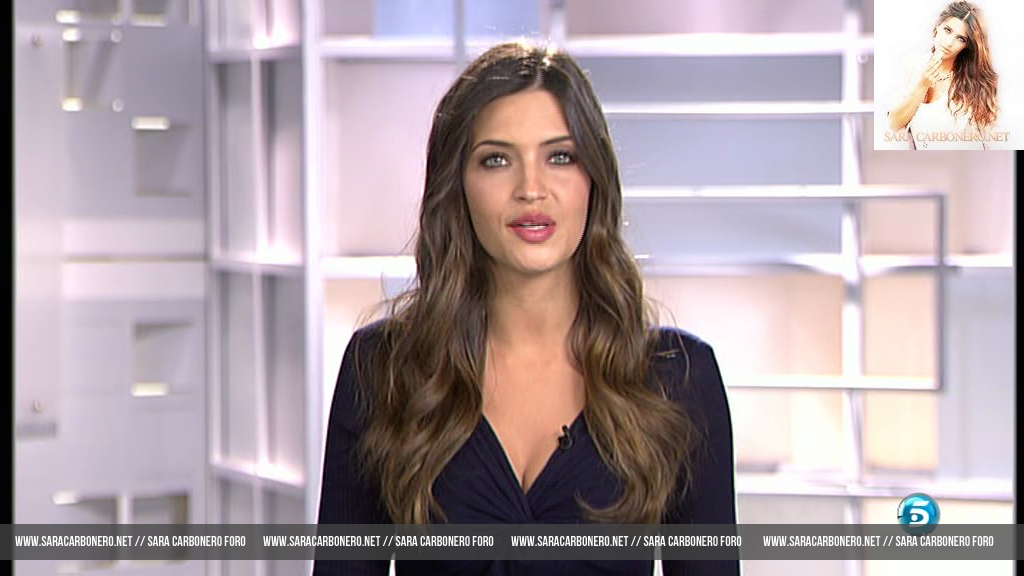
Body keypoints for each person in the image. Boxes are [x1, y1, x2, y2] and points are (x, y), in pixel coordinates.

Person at [314, 40, 738, 576]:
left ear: (594, 180)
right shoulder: (383, 370)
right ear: (457, 186)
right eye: (496, 160)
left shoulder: (677, 379)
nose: (531, 190)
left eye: (560, 157)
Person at [886, 1, 1000, 150]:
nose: (949, 42)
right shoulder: (911, 66)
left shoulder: (975, 82)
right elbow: (894, 123)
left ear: (967, 46)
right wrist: (922, 85)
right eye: (947, 30)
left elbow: (993, 143)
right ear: (937, 26)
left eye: (961, 38)